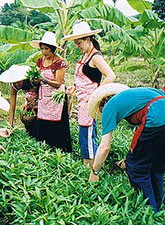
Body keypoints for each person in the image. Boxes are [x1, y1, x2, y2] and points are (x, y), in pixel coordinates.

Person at [87, 83, 165, 212]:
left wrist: (95, 172)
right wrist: (130, 158)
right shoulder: (135, 96)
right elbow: (146, 141)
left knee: (137, 169)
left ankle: (149, 213)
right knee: (156, 166)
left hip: (161, 121)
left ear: (102, 104)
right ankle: (158, 210)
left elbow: (104, 147)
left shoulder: (109, 107)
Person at [61, 21, 116, 166]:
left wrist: (96, 94)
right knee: (85, 133)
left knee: (87, 134)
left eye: (79, 43)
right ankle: (90, 164)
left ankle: (91, 167)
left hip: (89, 101)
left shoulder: (96, 57)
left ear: (88, 40)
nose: (77, 46)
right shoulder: (86, 55)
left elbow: (111, 76)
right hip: (82, 100)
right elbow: (85, 78)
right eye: (75, 43)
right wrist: (74, 87)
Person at [29, 31, 72, 153]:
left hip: (56, 97)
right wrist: (35, 80)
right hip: (44, 97)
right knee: (43, 121)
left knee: (57, 124)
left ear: (52, 49)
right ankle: (44, 148)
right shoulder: (39, 61)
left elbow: (58, 83)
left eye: (46, 49)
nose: (44, 52)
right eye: (42, 49)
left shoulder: (60, 63)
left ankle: (59, 149)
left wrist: (44, 80)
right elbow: (36, 77)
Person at [0, 65, 39, 138]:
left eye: (18, 82)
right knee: (27, 119)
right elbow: (12, 105)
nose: (17, 84)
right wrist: (10, 125)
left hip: (40, 99)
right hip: (30, 99)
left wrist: (35, 102)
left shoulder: (32, 80)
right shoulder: (13, 86)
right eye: (14, 82)